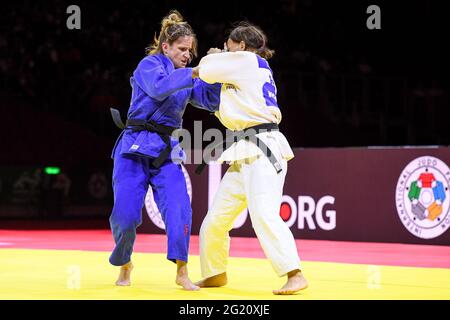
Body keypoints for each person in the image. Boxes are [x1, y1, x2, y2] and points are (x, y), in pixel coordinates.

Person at [108, 10, 220, 291]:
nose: (187, 55)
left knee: (179, 208)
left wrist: (218, 71)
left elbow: (209, 101)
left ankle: (182, 272)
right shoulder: (148, 65)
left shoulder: (185, 76)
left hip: (166, 152)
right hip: (134, 147)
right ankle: (125, 263)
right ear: (165, 46)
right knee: (125, 215)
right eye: (182, 49)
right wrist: (194, 71)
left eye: (190, 52)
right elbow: (159, 89)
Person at [194, 22, 308, 295]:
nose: (226, 48)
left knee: (264, 214)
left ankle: (295, 273)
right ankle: (214, 272)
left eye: (229, 45)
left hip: (263, 149)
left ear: (241, 46)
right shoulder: (248, 71)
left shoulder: (245, 61)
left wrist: (213, 56)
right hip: (245, 150)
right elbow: (218, 100)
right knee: (215, 221)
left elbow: (204, 70)